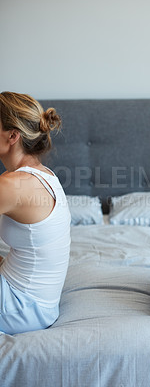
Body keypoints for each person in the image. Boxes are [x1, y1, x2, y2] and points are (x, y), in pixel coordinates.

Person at [0, 92, 71, 335]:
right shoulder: (45, 174)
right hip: (38, 304)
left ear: (12, 135)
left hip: (22, 309)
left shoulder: (13, 184)